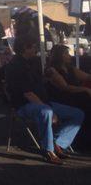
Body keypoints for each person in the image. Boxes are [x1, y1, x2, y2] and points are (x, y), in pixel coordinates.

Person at [5, 36, 84, 164]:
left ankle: (57, 142)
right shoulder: (15, 66)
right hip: (24, 105)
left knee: (77, 114)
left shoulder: (32, 62)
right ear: (26, 48)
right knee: (46, 112)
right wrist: (49, 109)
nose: (36, 49)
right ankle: (48, 151)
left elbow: (38, 84)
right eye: (34, 46)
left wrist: (47, 77)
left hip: (43, 101)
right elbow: (28, 94)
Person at [46, 45, 91, 150]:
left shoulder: (71, 69)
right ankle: (82, 141)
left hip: (75, 97)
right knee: (87, 104)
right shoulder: (51, 70)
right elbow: (65, 87)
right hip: (61, 99)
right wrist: (85, 89)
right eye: (66, 53)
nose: (69, 56)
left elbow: (88, 77)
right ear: (59, 55)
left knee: (87, 101)